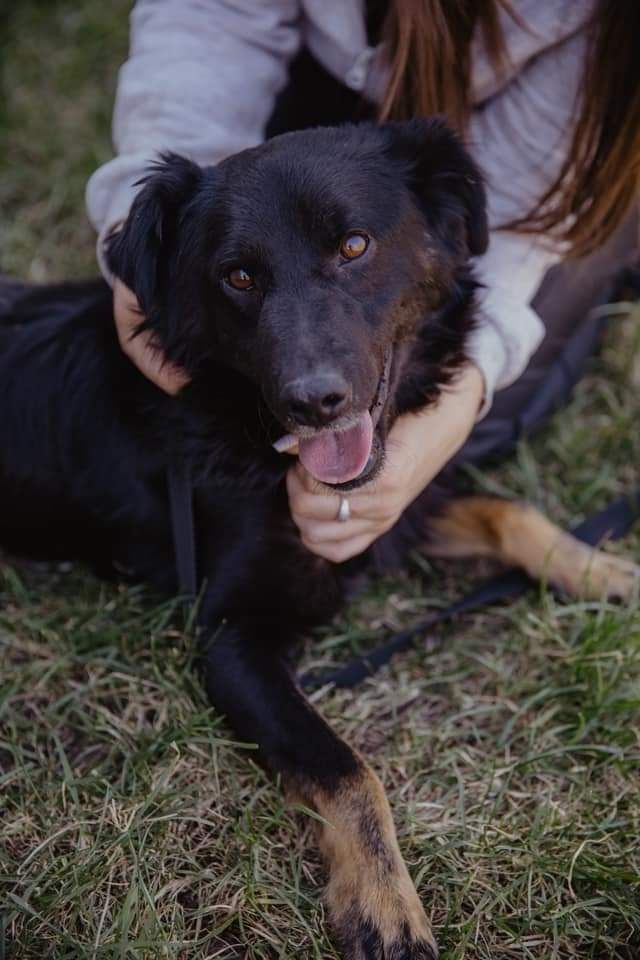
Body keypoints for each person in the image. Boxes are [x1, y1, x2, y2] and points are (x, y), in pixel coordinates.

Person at [87, 0, 640, 565]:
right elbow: (207, 17)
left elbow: (507, 234)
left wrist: (448, 417)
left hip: (555, 154)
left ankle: (618, 246)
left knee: (470, 418)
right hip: (324, 75)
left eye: (351, 249)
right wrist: (183, 223)